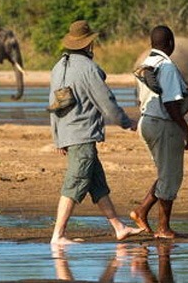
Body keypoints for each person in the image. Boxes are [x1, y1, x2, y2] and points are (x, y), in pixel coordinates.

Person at [48, 20, 142, 245]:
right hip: (82, 135)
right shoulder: (89, 69)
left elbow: (53, 105)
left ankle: (118, 227)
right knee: (74, 183)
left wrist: (57, 138)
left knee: (97, 184)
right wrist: (126, 122)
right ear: (88, 45)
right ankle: (58, 235)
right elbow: (107, 103)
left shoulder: (57, 67)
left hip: (68, 134)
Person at [130, 25, 188, 239]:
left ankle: (141, 211)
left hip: (147, 122)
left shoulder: (146, 63)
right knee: (170, 176)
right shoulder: (166, 66)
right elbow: (170, 104)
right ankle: (163, 228)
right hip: (163, 124)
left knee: (165, 173)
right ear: (171, 43)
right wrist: (186, 130)